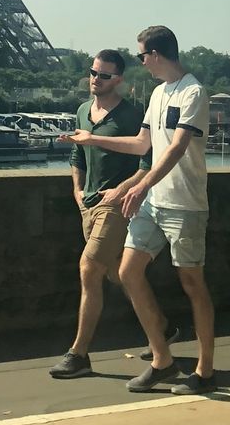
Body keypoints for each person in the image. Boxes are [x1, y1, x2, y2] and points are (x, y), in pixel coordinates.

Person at [62, 25, 216, 395]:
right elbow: (141, 144)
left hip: (184, 202)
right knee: (128, 273)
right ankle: (162, 360)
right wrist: (91, 138)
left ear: (157, 55)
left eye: (142, 56)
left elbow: (177, 147)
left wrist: (140, 184)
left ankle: (205, 370)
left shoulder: (194, 92)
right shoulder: (159, 93)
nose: (142, 63)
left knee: (193, 284)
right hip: (154, 203)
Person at [48, 50, 156, 380]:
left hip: (116, 204)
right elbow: (78, 155)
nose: (96, 79)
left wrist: (121, 190)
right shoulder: (83, 111)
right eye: (93, 72)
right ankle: (163, 329)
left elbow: (147, 163)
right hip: (90, 204)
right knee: (117, 275)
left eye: (104, 75)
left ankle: (79, 353)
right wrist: (78, 191)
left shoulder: (132, 114)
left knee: (89, 268)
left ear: (119, 80)